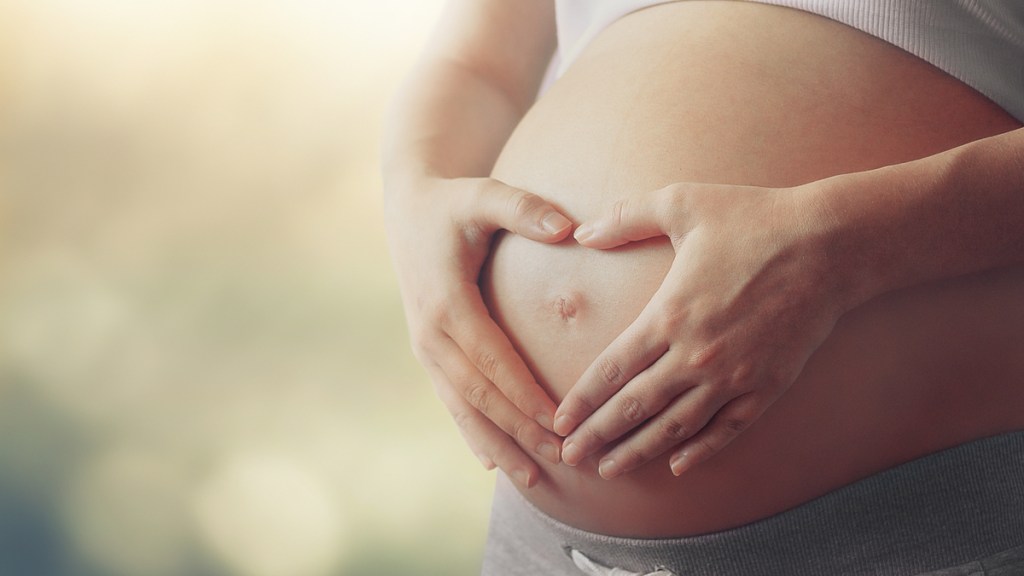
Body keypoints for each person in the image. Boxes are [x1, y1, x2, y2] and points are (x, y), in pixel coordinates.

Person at [382, 1, 1024, 574]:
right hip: (542, 543)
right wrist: (413, 195)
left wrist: (843, 249)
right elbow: (477, 63)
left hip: (918, 525)